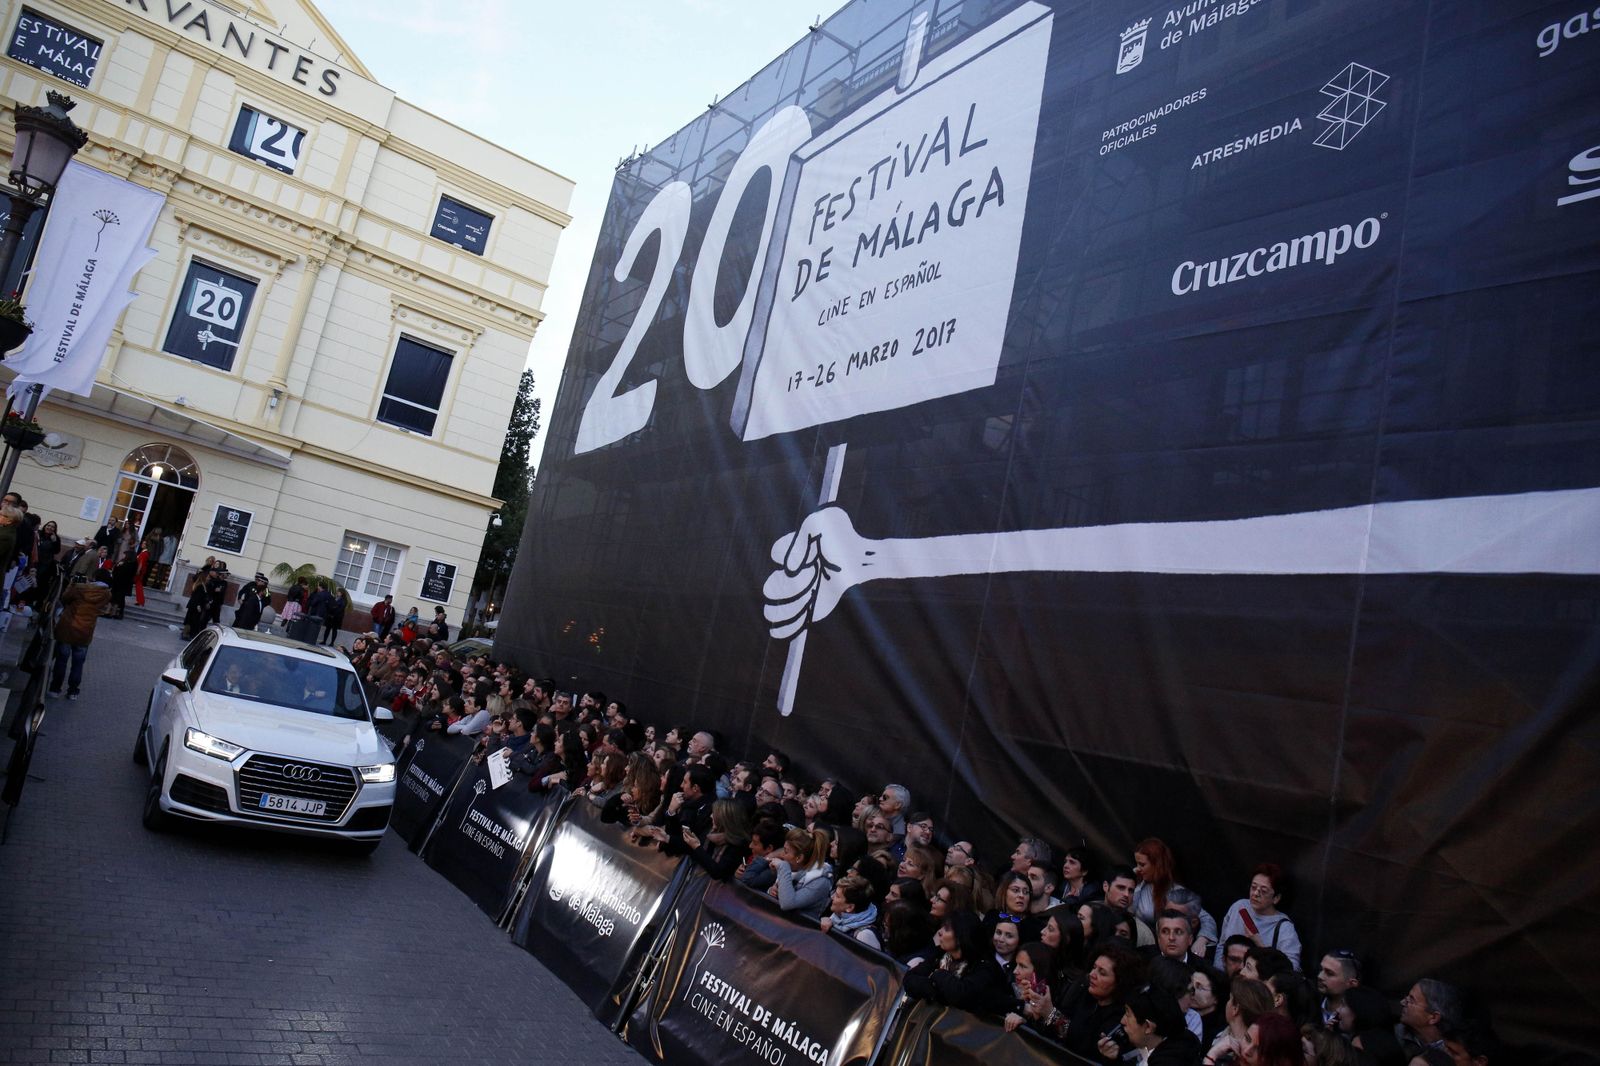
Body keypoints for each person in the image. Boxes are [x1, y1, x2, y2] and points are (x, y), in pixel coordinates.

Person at [1214, 864, 1301, 971]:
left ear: (1276, 898)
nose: (1255, 893)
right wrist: (1219, 976)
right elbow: (1222, 946)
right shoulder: (1239, 908)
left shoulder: (1284, 928)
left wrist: (1259, 945)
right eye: (1253, 887)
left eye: (1263, 891)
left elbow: (1291, 970)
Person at [49, 574, 111, 699]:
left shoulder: (79, 588)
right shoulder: (106, 594)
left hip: (68, 628)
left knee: (61, 660)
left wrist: (72, 584)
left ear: (94, 579)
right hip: (85, 632)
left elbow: (65, 598)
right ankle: (73, 691)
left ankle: (55, 689)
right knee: (78, 663)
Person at [133, 538, 151, 606]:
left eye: (144, 544)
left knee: (138, 586)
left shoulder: (144, 554)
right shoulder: (143, 552)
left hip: (139, 571)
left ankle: (140, 601)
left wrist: (138, 571)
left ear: (146, 545)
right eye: (142, 543)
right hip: (140, 571)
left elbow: (141, 563)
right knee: (138, 585)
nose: (142, 544)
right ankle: (140, 601)